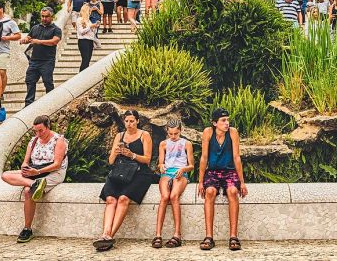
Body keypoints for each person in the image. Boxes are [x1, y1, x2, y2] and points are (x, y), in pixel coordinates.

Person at [1, 115, 68, 243]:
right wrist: (26, 168)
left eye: (41, 130)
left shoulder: (59, 140)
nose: (38, 133)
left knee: (28, 191)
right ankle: (34, 184)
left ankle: (27, 228)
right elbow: (25, 162)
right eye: (35, 131)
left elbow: (57, 164)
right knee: (5, 175)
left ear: (48, 127)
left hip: (52, 172)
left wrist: (37, 171)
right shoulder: (33, 140)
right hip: (34, 172)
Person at [95, 110, 153, 252]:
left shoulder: (144, 135)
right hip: (120, 171)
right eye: (126, 121)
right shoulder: (119, 136)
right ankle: (105, 233)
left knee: (123, 199)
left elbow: (147, 159)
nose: (129, 124)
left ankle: (110, 236)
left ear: (137, 121)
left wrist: (132, 155)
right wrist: (115, 152)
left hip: (139, 172)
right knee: (110, 199)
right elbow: (110, 161)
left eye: (132, 121)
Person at [198, 108, 247, 251]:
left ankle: (233, 237)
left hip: (229, 171)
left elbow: (237, 157)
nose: (227, 123)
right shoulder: (208, 132)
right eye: (223, 120)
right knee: (210, 192)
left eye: (228, 120)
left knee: (232, 191)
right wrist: (200, 182)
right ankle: (209, 237)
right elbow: (204, 157)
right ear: (214, 123)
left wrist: (242, 182)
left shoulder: (233, 132)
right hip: (212, 171)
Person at [153, 120, 194, 249]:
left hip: (180, 173)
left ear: (180, 131)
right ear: (167, 132)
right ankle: (158, 234)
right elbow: (160, 163)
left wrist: (183, 169)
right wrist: (161, 166)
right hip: (167, 173)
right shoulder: (163, 144)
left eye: (176, 133)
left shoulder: (187, 144)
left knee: (174, 196)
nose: (173, 136)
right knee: (164, 197)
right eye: (170, 133)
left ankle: (177, 234)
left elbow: (191, 165)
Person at [20, 7, 62, 107]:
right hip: (34, 60)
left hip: (47, 61)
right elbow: (29, 37)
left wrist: (39, 42)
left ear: (52, 16)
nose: (44, 18)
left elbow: (54, 41)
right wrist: (24, 40)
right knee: (30, 81)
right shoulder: (35, 28)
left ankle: (51, 103)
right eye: (42, 16)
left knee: (48, 82)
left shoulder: (56, 29)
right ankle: (28, 104)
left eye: (46, 16)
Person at [76, 5, 101, 71]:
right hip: (83, 41)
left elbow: (93, 33)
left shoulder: (88, 21)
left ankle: (84, 75)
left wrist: (95, 27)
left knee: (88, 60)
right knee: (85, 59)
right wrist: (90, 26)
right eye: (89, 11)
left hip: (90, 41)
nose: (90, 13)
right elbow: (81, 31)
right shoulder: (80, 19)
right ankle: (80, 76)